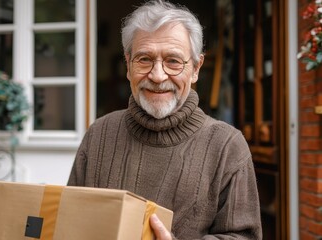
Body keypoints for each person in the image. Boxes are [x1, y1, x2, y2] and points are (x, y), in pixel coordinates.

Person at [67, 0, 262, 239]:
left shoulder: (227, 145)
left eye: (173, 61)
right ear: (128, 66)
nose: (158, 76)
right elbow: (70, 221)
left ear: (196, 68)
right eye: (144, 59)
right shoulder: (99, 133)